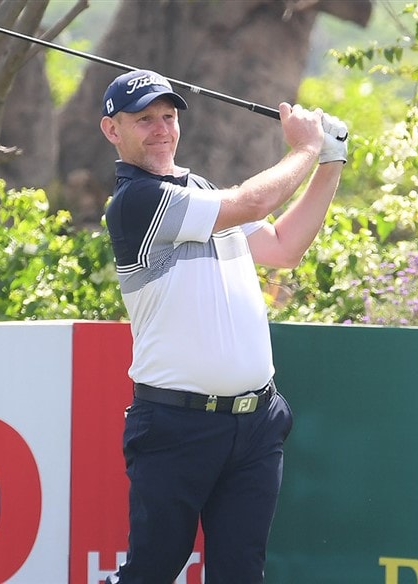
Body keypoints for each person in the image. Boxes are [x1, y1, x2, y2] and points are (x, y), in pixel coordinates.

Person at [97, 69, 347, 583]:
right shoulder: (137, 203)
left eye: (168, 116)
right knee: (153, 570)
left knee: (240, 574)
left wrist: (330, 161)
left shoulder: (200, 190)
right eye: (144, 119)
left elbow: (282, 247)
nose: (162, 128)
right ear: (111, 130)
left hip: (255, 423)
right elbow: (255, 202)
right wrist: (304, 147)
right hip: (175, 425)